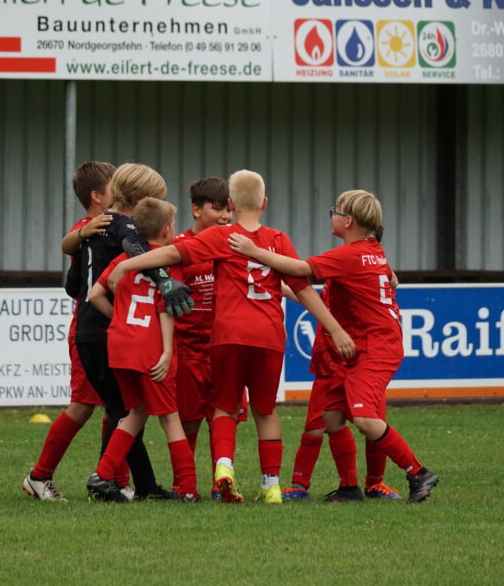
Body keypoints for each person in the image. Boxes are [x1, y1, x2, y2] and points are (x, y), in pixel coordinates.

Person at [108, 169, 353, 504]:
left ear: (232, 204)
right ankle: (268, 484)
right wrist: (335, 326)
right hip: (256, 336)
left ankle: (221, 469)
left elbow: (170, 255)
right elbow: (300, 286)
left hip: (226, 336)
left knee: (223, 408)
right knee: (260, 412)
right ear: (264, 203)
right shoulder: (278, 239)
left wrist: (125, 264)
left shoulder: (222, 237)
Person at [229, 189, 439, 504]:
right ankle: (349, 489)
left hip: (374, 346)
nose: (332, 216)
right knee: (331, 416)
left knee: (366, 419)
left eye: (335, 211)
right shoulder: (371, 250)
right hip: (369, 343)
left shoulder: (350, 254)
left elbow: (299, 269)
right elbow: (386, 278)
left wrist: (253, 250)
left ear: (348, 221)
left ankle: (417, 473)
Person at [69, 162, 193, 500]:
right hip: (140, 345)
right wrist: (167, 350)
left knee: (130, 412)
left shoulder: (99, 233)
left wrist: (119, 319)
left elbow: (85, 290)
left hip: (109, 338)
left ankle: (110, 478)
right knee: (164, 416)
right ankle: (184, 487)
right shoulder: (150, 254)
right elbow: (164, 306)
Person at [282, 228, 402, 502]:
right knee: (318, 423)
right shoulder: (344, 264)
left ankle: (374, 484)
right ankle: (303, 485)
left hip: (360, 359)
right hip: (331, 358)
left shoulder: (365, 266)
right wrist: (282, 288)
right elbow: (318, 299)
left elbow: (390, 279)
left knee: (373, 422)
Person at [23, 161, 114, 502]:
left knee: (116, 404)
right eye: (115, 187)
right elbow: (68, 242)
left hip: (114, 328)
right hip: (89, 330)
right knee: (82, 405)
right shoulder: (87, 228)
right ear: (97, 197)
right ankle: (39, 475)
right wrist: (82, 233)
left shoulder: (115, 224)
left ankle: (112, 480)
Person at [171, 177, 242, 499]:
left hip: (223, 346)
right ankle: (184, 484)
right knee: (187, 420)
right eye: (218, 209)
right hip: (186, 347)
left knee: (222, 418)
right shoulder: (179, 246)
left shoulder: (236, 244)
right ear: (196, 210)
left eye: (228, 210)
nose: (225, 216)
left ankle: (220, 482)